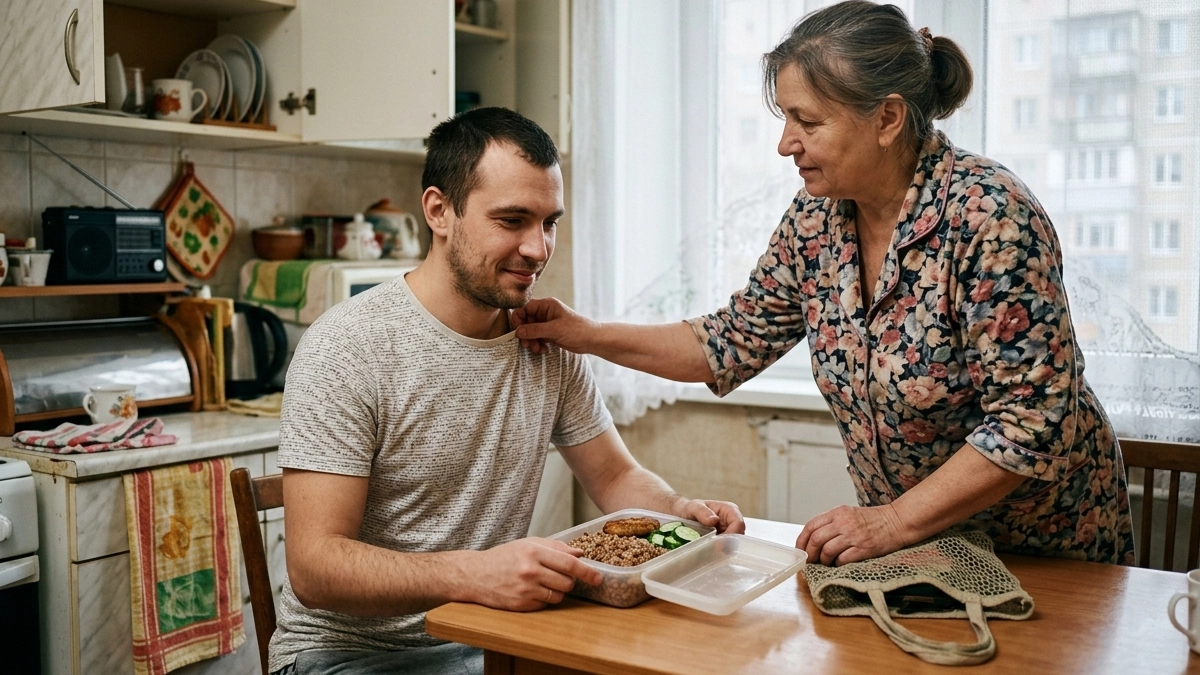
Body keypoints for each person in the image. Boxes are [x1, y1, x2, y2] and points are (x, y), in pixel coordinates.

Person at [513, 1, 1133, 568]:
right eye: (786, 118)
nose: (786, 143)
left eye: (806, 120)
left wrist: (890, 521)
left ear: (887, 118)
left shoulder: (990, 216)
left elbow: (1030, 422)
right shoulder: (816, 223)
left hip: (1043, 552)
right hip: (919, 552)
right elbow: (724, 344)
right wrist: (583, 333)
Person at [269, 107, 745, 675]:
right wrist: (474, 574)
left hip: (492, 637)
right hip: (347, 657)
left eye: (549, 223)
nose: (538, 249)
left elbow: (615, 476)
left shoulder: (546, 343)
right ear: (440, 211)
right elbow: (316, 567)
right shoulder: (347, 347)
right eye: (513, 220)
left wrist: (677, 511)